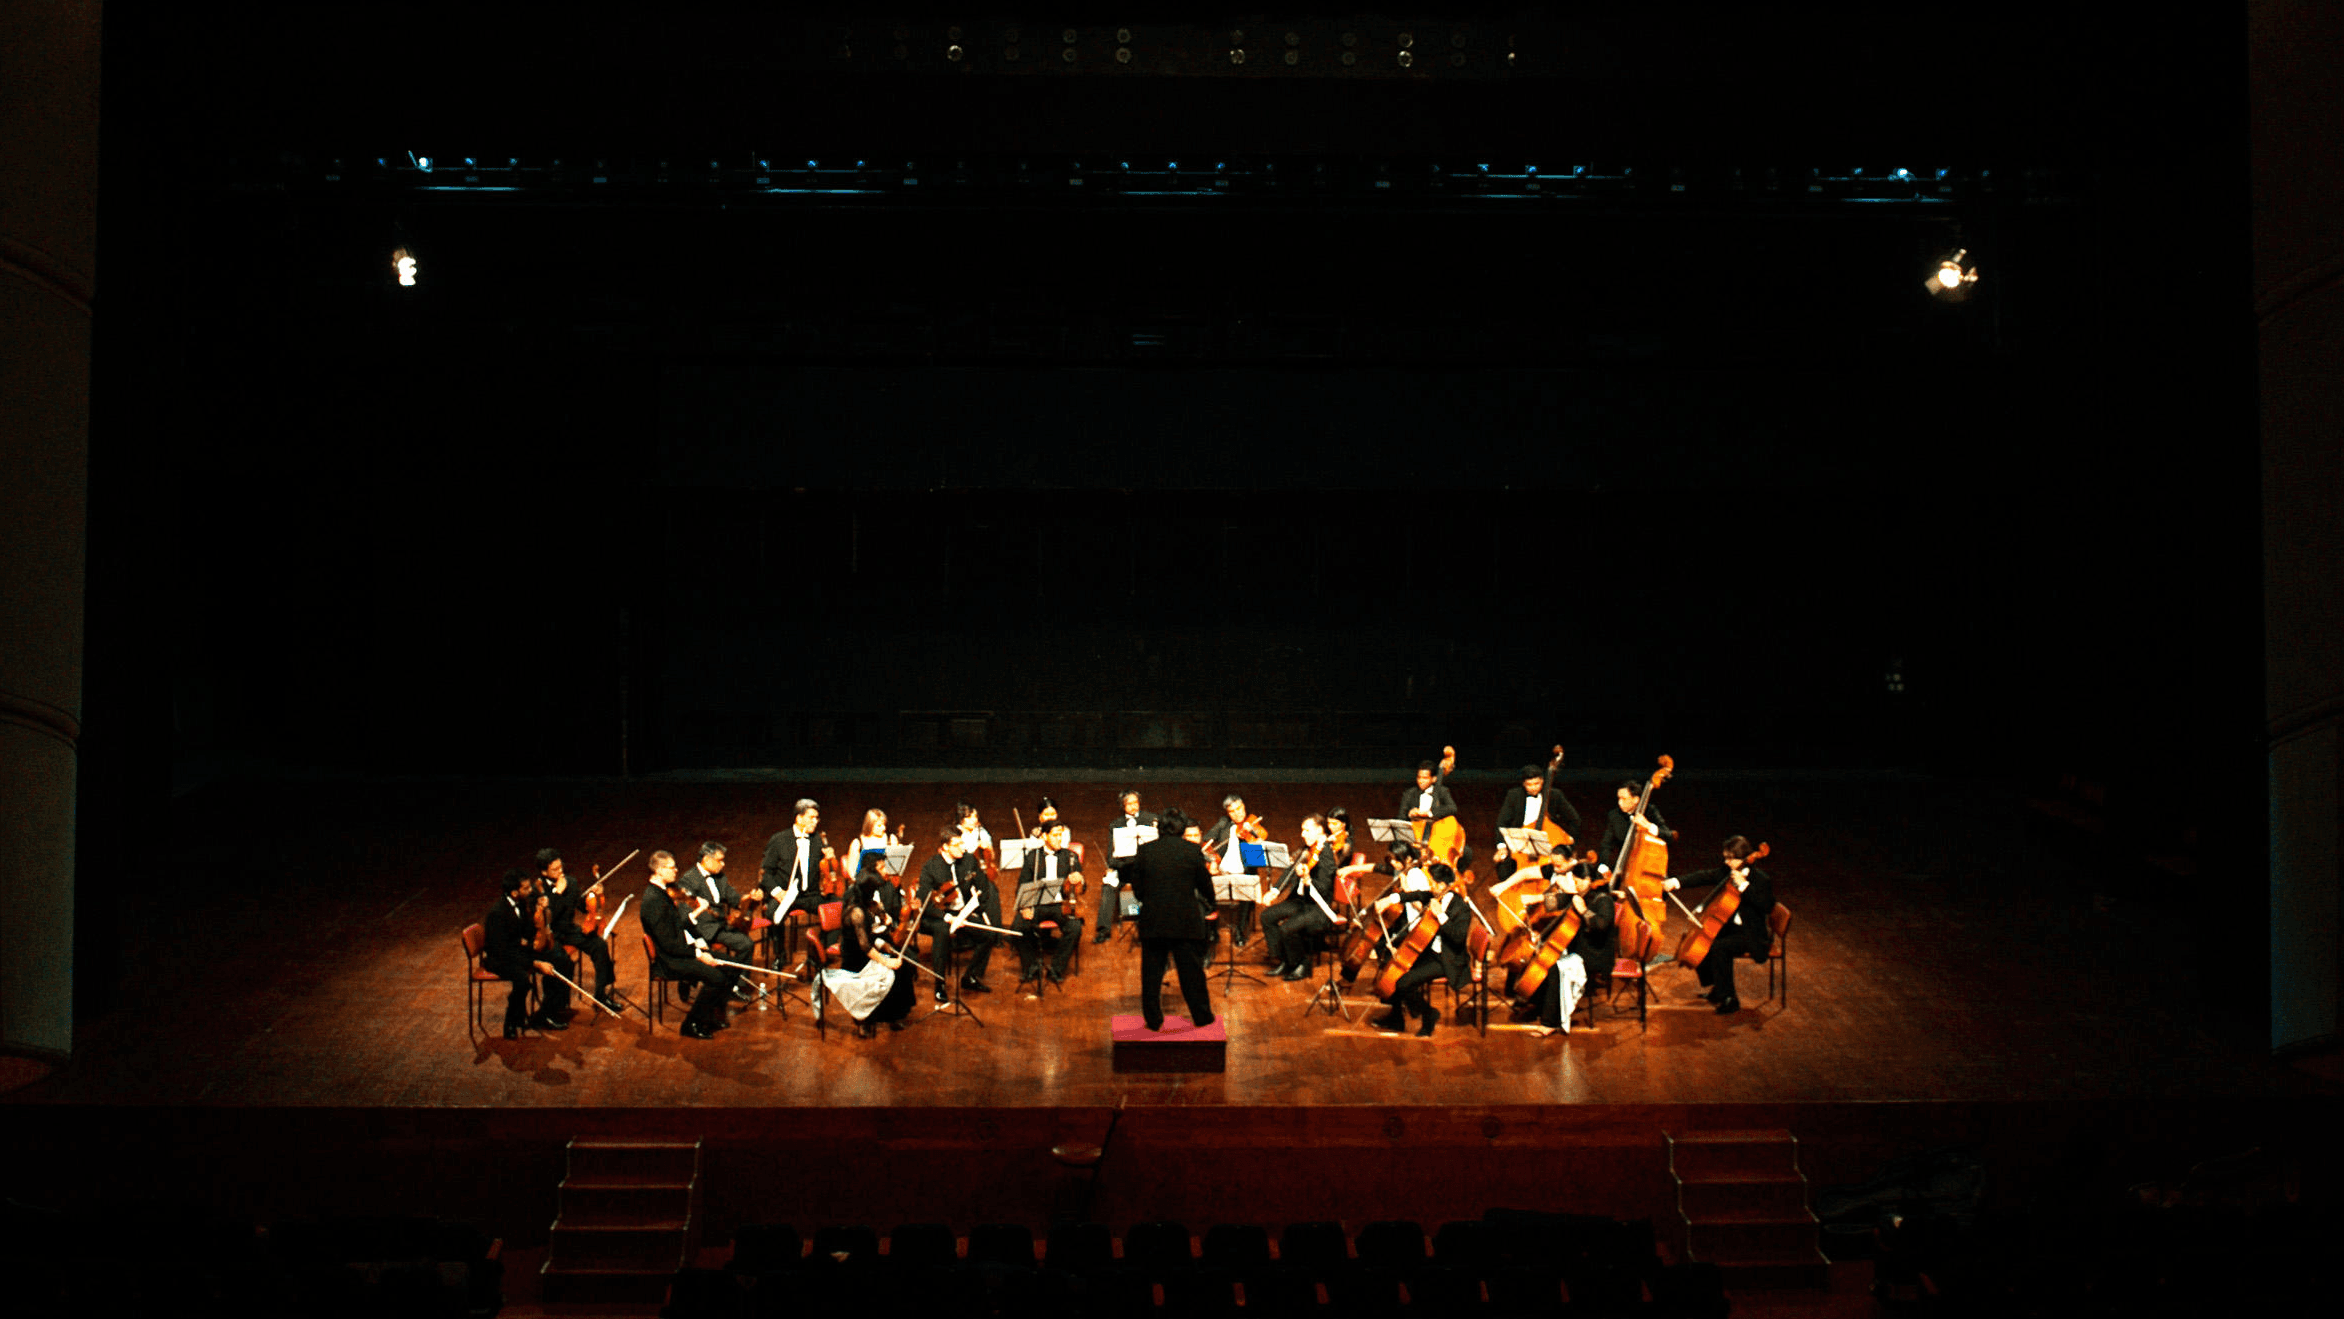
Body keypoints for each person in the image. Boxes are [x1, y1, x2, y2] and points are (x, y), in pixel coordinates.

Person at [1122, 806, 1218, 1031]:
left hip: (1153, 920)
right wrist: (1210, 904)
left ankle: (1153, 1020)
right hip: (1185, 921)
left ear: (1161, 828)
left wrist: (1150, 900)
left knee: (1151, 974)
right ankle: (1202, 1017)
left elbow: (1137, 888)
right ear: (1182, 829)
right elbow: (1205, 884)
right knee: (1191, 973)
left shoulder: (1145, 851)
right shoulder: (1192, 851)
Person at [1662, 835, 1776, 1014]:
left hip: (1752, 934)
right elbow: (1704, 876)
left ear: (1744, 858)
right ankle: (1718, 987)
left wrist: (1744, 886)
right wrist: (1676, 882)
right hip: (1733, 928)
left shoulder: (1760, 879)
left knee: (1719, 948)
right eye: (1725, 858)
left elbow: (1767, 906)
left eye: (1730, 858)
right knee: (1703, 938)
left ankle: (1730, 999)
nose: (1726, 862)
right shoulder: (1728, 871)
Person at [1373, 862, 1472, 1038]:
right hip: (1429, 951)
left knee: (1403, 983)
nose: (1429, 886)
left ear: (1441, 884)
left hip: (1447, 959)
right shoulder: (1435, 895)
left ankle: (1429, 1014)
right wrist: (1389, 900)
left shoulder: (1461, 908)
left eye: (1431, 882)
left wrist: (1441, 915)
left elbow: (1457, 939)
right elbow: (1416, 895)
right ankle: (1396, 1019)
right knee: (1393, 966)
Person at [1526, 856, 1618, 1037]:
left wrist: (1584, 910)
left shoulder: (1604, 901)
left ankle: (1550, 1023)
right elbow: (1556, 902)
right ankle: (1540, 1007)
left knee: (1554, 968)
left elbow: (1600, 926)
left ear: (1588, 880)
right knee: (1545, 959)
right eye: (1573, 881)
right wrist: (1535, 901)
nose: (1575, 884)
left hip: (1596, 954)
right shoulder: (1579, 895)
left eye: (1577, 881)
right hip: (1580, 949)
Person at [640, 864, 736, 1040]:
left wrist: (699, 946)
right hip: (669, 960)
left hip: (680, 950)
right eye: (671, 867)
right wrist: (698, 955)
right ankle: (691, 1024)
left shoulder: (662, 893)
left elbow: (677, 928)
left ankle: (710, 1015)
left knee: (729, 967)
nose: (676, 870)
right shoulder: (653, 900)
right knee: (716, 978)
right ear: (659, 870)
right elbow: (668, 943)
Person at [484, 868, 569, 1037]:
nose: (531, 890)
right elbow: (502, 950)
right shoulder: (497, 913)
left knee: (560, 960)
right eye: (526, 888)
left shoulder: (522, 903)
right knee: (523, 981)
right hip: (500, 959)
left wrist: (539, 911)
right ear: (514, 892)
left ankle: (547, 1012)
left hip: (518, 951)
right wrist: (535, 963)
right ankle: (511, 1023)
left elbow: (528, 932)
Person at [832, 873, 918, 1037]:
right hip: (855, 957)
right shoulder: (856, 912)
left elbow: (871, 936)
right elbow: (864, 946)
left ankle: (893, 1015)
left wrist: (884, 945)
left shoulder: (869, 905)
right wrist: (886, 961)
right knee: (889, 970)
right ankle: (864, 1020)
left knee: (902, 967)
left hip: (869, 949)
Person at [917, 828, 998, 1000]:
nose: (963, 847)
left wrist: (975, 909)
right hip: (938, 915)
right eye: (957, 844)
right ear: (945, 847)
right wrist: (947, 917)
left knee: (989, 935)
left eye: (963, 842)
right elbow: (924, 902)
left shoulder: (969, 860)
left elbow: (984, 886)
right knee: (942, 932)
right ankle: (939, 984)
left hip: (963, 912)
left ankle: (970, 976)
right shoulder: (931, 867)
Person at [536, 847, 620, 1012]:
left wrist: (594, 895)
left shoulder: (571, 882)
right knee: (563, 962)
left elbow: (582, 906)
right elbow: (548, 917)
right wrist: (558, 893)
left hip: (568, 930)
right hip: (550, 935)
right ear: (544, 872)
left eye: (561, 867)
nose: (560, 872)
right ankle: (556, 1007)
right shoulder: (538, 889)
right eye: (555, 870)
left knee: (599, 946)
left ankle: (600, 997)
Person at [1261, 814, 1340, 980]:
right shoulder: (1308, 849)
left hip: (1317, 907)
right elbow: (1290, 871)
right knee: (1267, 916)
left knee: (1287, 928)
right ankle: (1284, 959)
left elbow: (1323, 889)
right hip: (1301, 901)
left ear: (1320, 830)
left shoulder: (1326, 854)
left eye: (1307, 830)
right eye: (1302, 830)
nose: (1302, 834)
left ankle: (1302, 964)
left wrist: (1307, 879)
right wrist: (1274, 891)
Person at [1013, 820, 1086, 986]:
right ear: (1045, 836)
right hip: (1037, 904)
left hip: (1060, 904)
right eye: (1055, 835)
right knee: (1018, 927)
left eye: (1061, 835)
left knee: (1075, 928)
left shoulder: (1070, 857)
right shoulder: (1033, 857)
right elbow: (1022, 886)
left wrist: (1080, 880)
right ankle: (1031, 967)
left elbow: (1083, 887)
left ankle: (1056, 969)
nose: (1059, 838)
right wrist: (1025, 906)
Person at [1492, 748, 1581, 883]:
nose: (1533, 787)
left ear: (1543, 781)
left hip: (1548, 845)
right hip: (1522, 844)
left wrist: (1568, 844)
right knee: (1504, 870)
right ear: (1523, 784)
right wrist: (1502, 847)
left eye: (1537, 783)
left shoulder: (1555, 795)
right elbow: (1501, 823)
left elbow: (1575, 820)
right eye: (1529, 784)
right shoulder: (1513, 795)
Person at [1095, 789, 1158, 943]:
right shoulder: (1115, 825)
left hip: (1146, 869)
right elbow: (1111, 857)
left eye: (1136, 802)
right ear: (1122, 806)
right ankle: (1103, 930)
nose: (1133, 806)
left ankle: (1153, 928)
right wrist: (1121, 864)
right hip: (1125, 869)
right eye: (1129, 804)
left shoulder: (1151, 819)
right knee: (1108, 887)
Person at [1202, 793, 1262, 947]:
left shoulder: (1253, 824)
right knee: (1205, 888)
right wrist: (1213, 860)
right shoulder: (1223, 824)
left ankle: (1240, 931)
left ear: (1244, 807)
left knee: (1246, 890)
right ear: (1228, 813)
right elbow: (1206, 842)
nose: (1237, 813)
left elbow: (1256, 858)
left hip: (1245, 870)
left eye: (1239, 808)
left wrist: (1252, 836)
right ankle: (1212, 930)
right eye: (1232, 811)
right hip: (1223, 869)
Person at [760, 799, 834, 920]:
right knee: (773, 914)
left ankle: (825, 935)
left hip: (811, 896)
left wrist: (829, 858)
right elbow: (765, 873)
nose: (815, 821)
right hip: (786, 895)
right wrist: (778, 892)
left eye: (817, 818)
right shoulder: (779, 840)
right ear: (799, 818)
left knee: (839, 907)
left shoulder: (818, 839)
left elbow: (826, 868)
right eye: (811, 818)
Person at [1599, 779, 1679, 868]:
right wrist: (1603, 866)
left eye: (1624, 799)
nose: (1619, 803)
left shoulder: (1650, 811)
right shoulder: (1614, 815)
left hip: (1649, 865)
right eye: (1619, 798)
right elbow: (1606, 845)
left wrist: (1648, 825)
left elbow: (1669, 836)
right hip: (1625, 866)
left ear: (1636, 799)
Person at [842, 808, 897, 880]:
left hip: (885, 881)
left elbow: (895, 866)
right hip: (865, 882)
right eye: (879, 825)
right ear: (870, 825)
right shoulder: (857, 843)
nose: (884, 828)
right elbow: (852, 872)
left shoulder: (891, 839)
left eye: (884, 824)